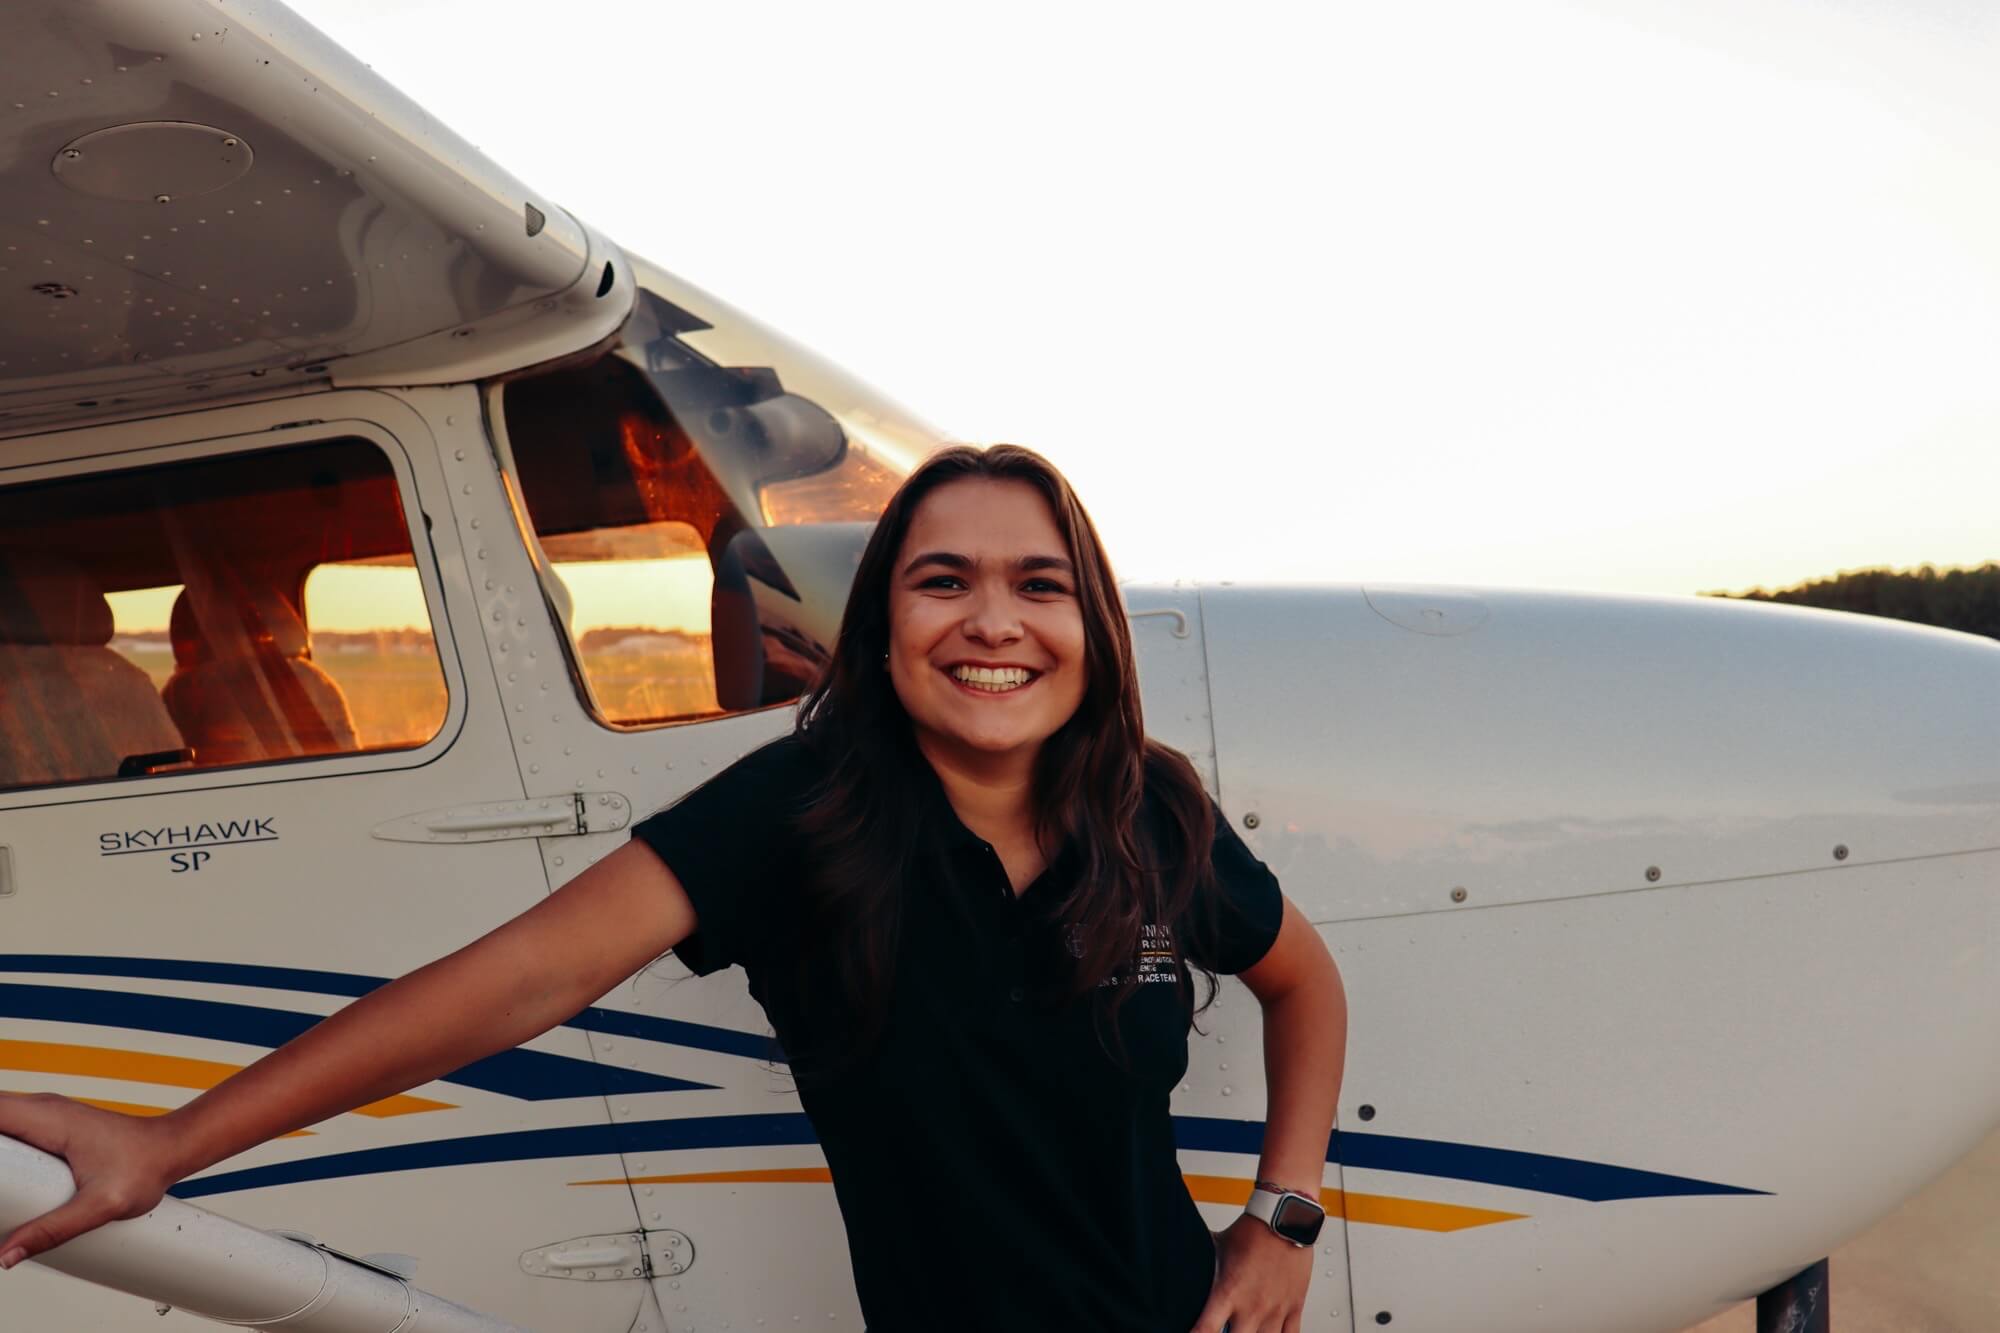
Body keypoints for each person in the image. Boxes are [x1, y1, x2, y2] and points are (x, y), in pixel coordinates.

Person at [0, 444, 1347, 1333]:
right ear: (885, 628)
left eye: (1037, 585)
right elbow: (518, 978)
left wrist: (1284, 1216)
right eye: (946, 582)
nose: (994, 621)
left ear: (1087, 628)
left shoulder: (1151, 810)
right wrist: (168, 1145)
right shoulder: (798, 814)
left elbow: (1304, 979)